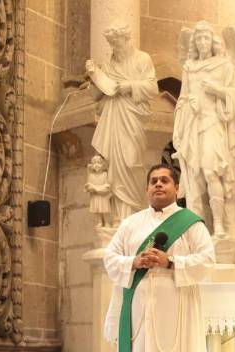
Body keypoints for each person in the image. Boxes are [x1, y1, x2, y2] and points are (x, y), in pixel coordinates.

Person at [103, 164, 215, 352]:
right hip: (138, 309)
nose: (158, 185)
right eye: (153, 181)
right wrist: (135, 262)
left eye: (165, 180)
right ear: (146, 189)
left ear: (177, 188)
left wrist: (171, 262)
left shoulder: (191, 224)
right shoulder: (131, 224)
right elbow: (110, 258)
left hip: (176, 307)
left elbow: (207, 260)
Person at [173, 21, 235, 244]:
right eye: (198, 39)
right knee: (194, 178)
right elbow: (182, 98)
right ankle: (196, 231)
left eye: (206, 38)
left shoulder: (224, 65)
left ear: (212, 41)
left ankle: (220, 226)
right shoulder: (189, 67)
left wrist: (217, 90)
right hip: (193, 125)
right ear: (194, 43)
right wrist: (188, 104)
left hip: (214, 123)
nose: (202, 42)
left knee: (211, 172)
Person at [86, 22, 158, 225]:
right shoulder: (108, 64)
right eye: (111, 43)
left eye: (117, 42)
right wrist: (93, 76)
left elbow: (152, 88)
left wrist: (128, 86)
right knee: (113, 166)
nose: (114, 47)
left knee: (131, 162)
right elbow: (97, 95)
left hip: (132, 117)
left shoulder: (142, 59)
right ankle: (118, 217)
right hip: (112, 117)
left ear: (126, 39)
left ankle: (133, 215)